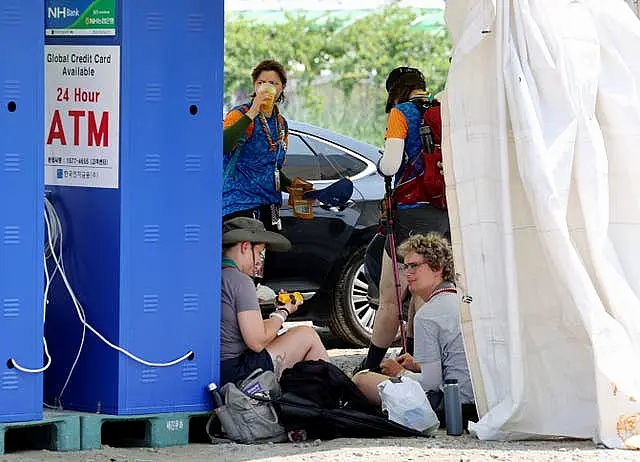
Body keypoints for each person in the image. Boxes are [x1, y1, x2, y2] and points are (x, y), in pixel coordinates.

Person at [358, 66, 450, 371]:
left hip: (411, 216)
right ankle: (419, 366)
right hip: (444, 213)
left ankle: (371, 367)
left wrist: (383, 163)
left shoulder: (401, 113)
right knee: (426, 295)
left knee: (391, 297)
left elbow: (391, 164)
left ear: (395, 90)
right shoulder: (443, 108)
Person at [353, 233, 476, 428]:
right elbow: (456, 360)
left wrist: (400, 372)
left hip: (454, 406)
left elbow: (430, 384)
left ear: (437, 268)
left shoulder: (427, 315)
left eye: (415, 266)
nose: (407, 273)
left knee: (362, 380)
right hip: (482, 402)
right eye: (405, 266)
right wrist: (417, 366)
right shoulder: (464, 298)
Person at [220, 217, 328, 387]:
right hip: (236, 372)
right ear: (245, 247)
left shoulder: (218, 275)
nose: (259, 261)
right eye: (260, 253)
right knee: (307, 336)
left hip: (216, 369)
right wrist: (282, 313)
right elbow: (256, 341)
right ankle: (326, 398)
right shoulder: (240, 281)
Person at [222, 59, 291, 232]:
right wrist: (253, 111)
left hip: (271, 205)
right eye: (261, 83)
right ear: (254, 86)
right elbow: (222, 146)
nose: (267, 87)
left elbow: (271, 168)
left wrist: (294, 186)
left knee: (271, 256)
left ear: (281, 87)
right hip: (241, 205)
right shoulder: (240, 114)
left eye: (273, 83)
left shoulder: (281, 124)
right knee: (246, 257)